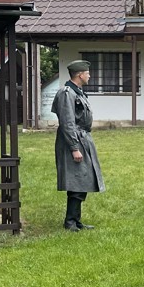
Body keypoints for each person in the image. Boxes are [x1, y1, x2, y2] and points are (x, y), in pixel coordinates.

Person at [52, 60, 104, 231]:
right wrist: (74, 148)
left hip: (82, 138)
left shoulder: (77, 92)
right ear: (80, 75)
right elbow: (67, 123)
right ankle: (70, 222)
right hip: (73, 140)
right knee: (77, 180)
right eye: (87, 73)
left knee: (82, 179)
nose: (89, 75)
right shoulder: (66, 93)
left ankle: (76, 221)